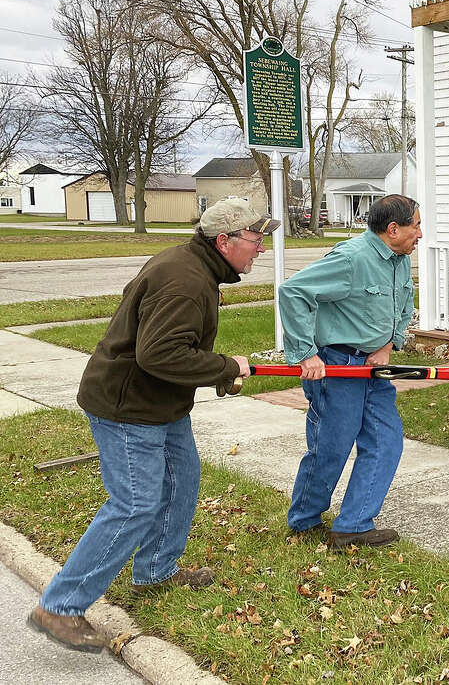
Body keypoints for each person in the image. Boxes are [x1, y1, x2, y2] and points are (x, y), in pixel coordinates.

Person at [28, 200, 270, 652]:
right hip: (128, 408)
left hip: (161, 404)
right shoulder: (186, 280)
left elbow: (171, 350)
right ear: (225, 241)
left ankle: (156, 570)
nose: (261, 249)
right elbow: (158, 354)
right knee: (136, 504)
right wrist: (223, 365)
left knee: (182, 481)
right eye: (256, 241)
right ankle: (60, 606)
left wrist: (217, 373)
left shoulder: (195, 268)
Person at [279, 194, 420, 550]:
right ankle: (305, 519)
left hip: (373, 370)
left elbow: (404, 305)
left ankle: (353, 525)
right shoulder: (350, 259)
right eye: (415, 225)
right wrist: (306, 354)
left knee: (386, 441)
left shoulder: (399, 260)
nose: (420, 233)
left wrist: (389, 344)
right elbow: (293, 292)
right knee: (332, 447)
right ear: (393, 229)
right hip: (339, 366)